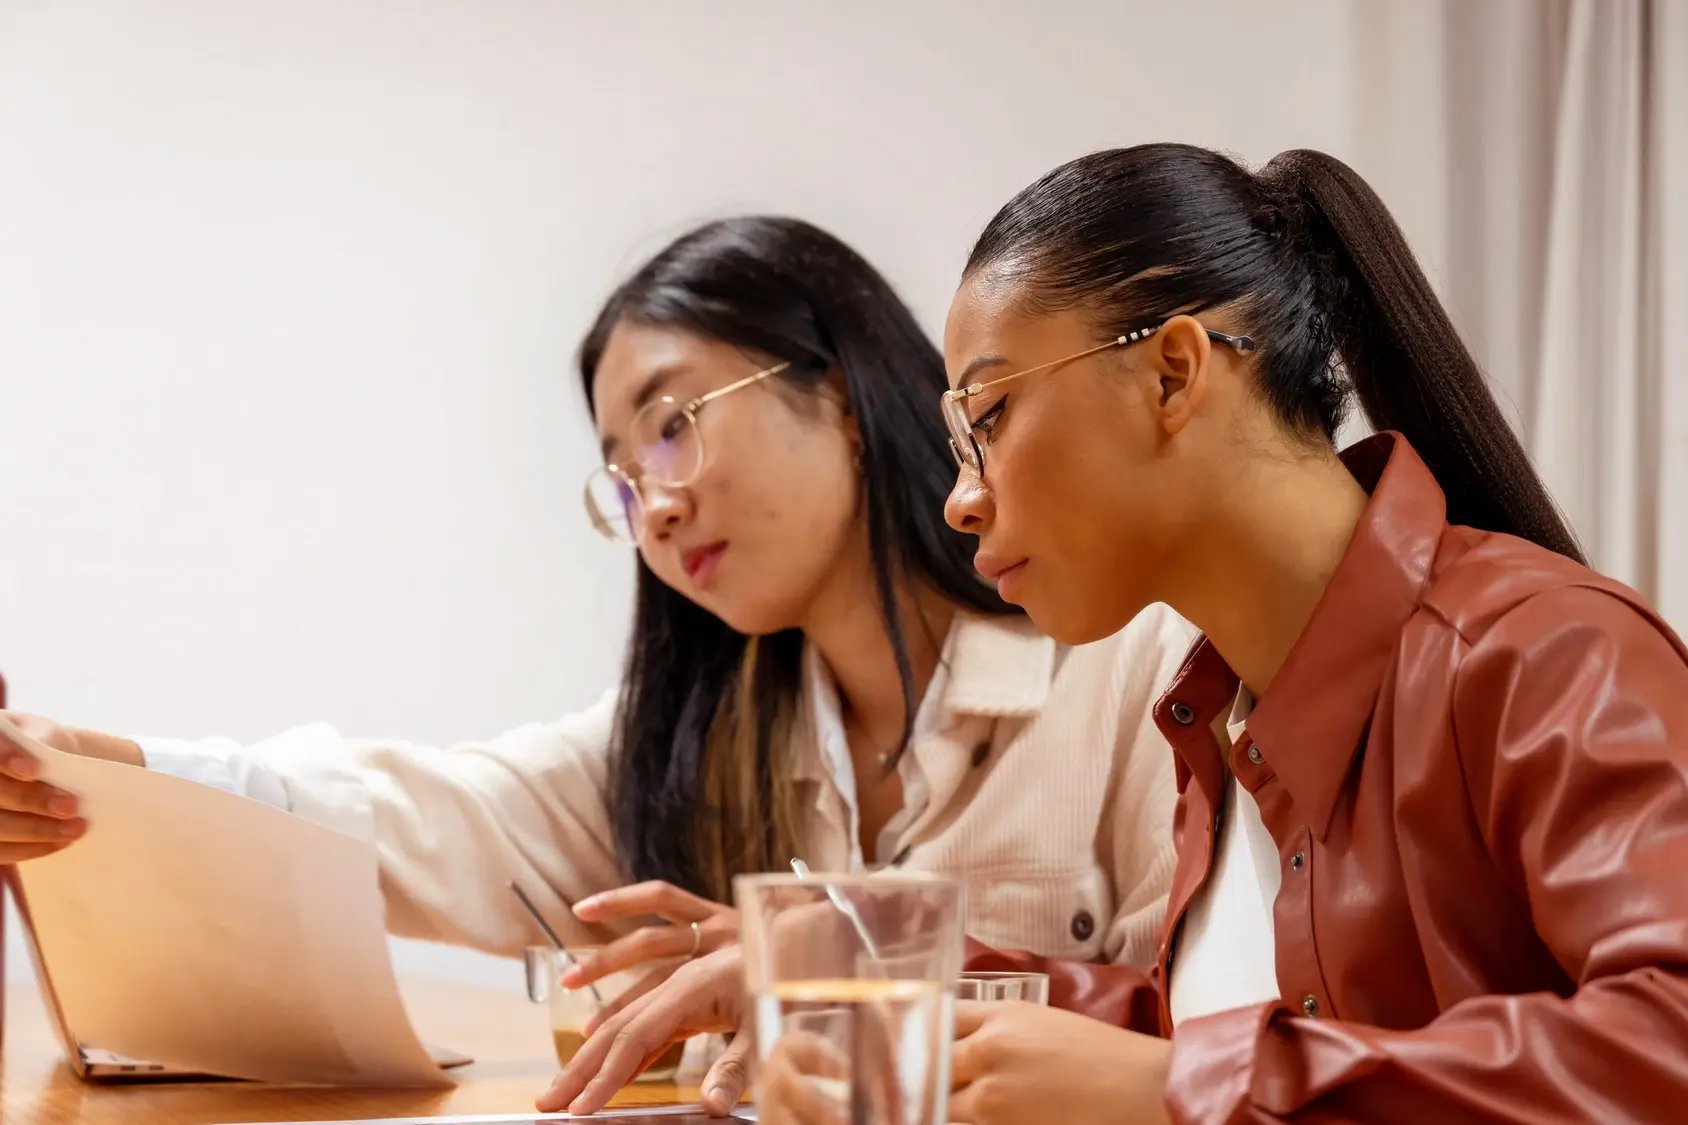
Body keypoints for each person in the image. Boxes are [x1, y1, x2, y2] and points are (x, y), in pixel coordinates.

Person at [541, 147, 1688, 1124]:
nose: (959, 500)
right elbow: (1220, 1033)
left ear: (1172, 373)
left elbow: (1666, 1042)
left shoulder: (1540, 655)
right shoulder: (1217, 713)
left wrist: (1171, 1088)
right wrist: (846, 965)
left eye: (988, 417)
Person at [0, 215, 1191, 1089]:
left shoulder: (1131, 671)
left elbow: (1210, 1052)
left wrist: (820, 971)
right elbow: (420, 814)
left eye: (672, 429)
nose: (654, 508)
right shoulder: (699, 740)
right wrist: (83, 765)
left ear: (838, 394)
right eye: (621, 480)